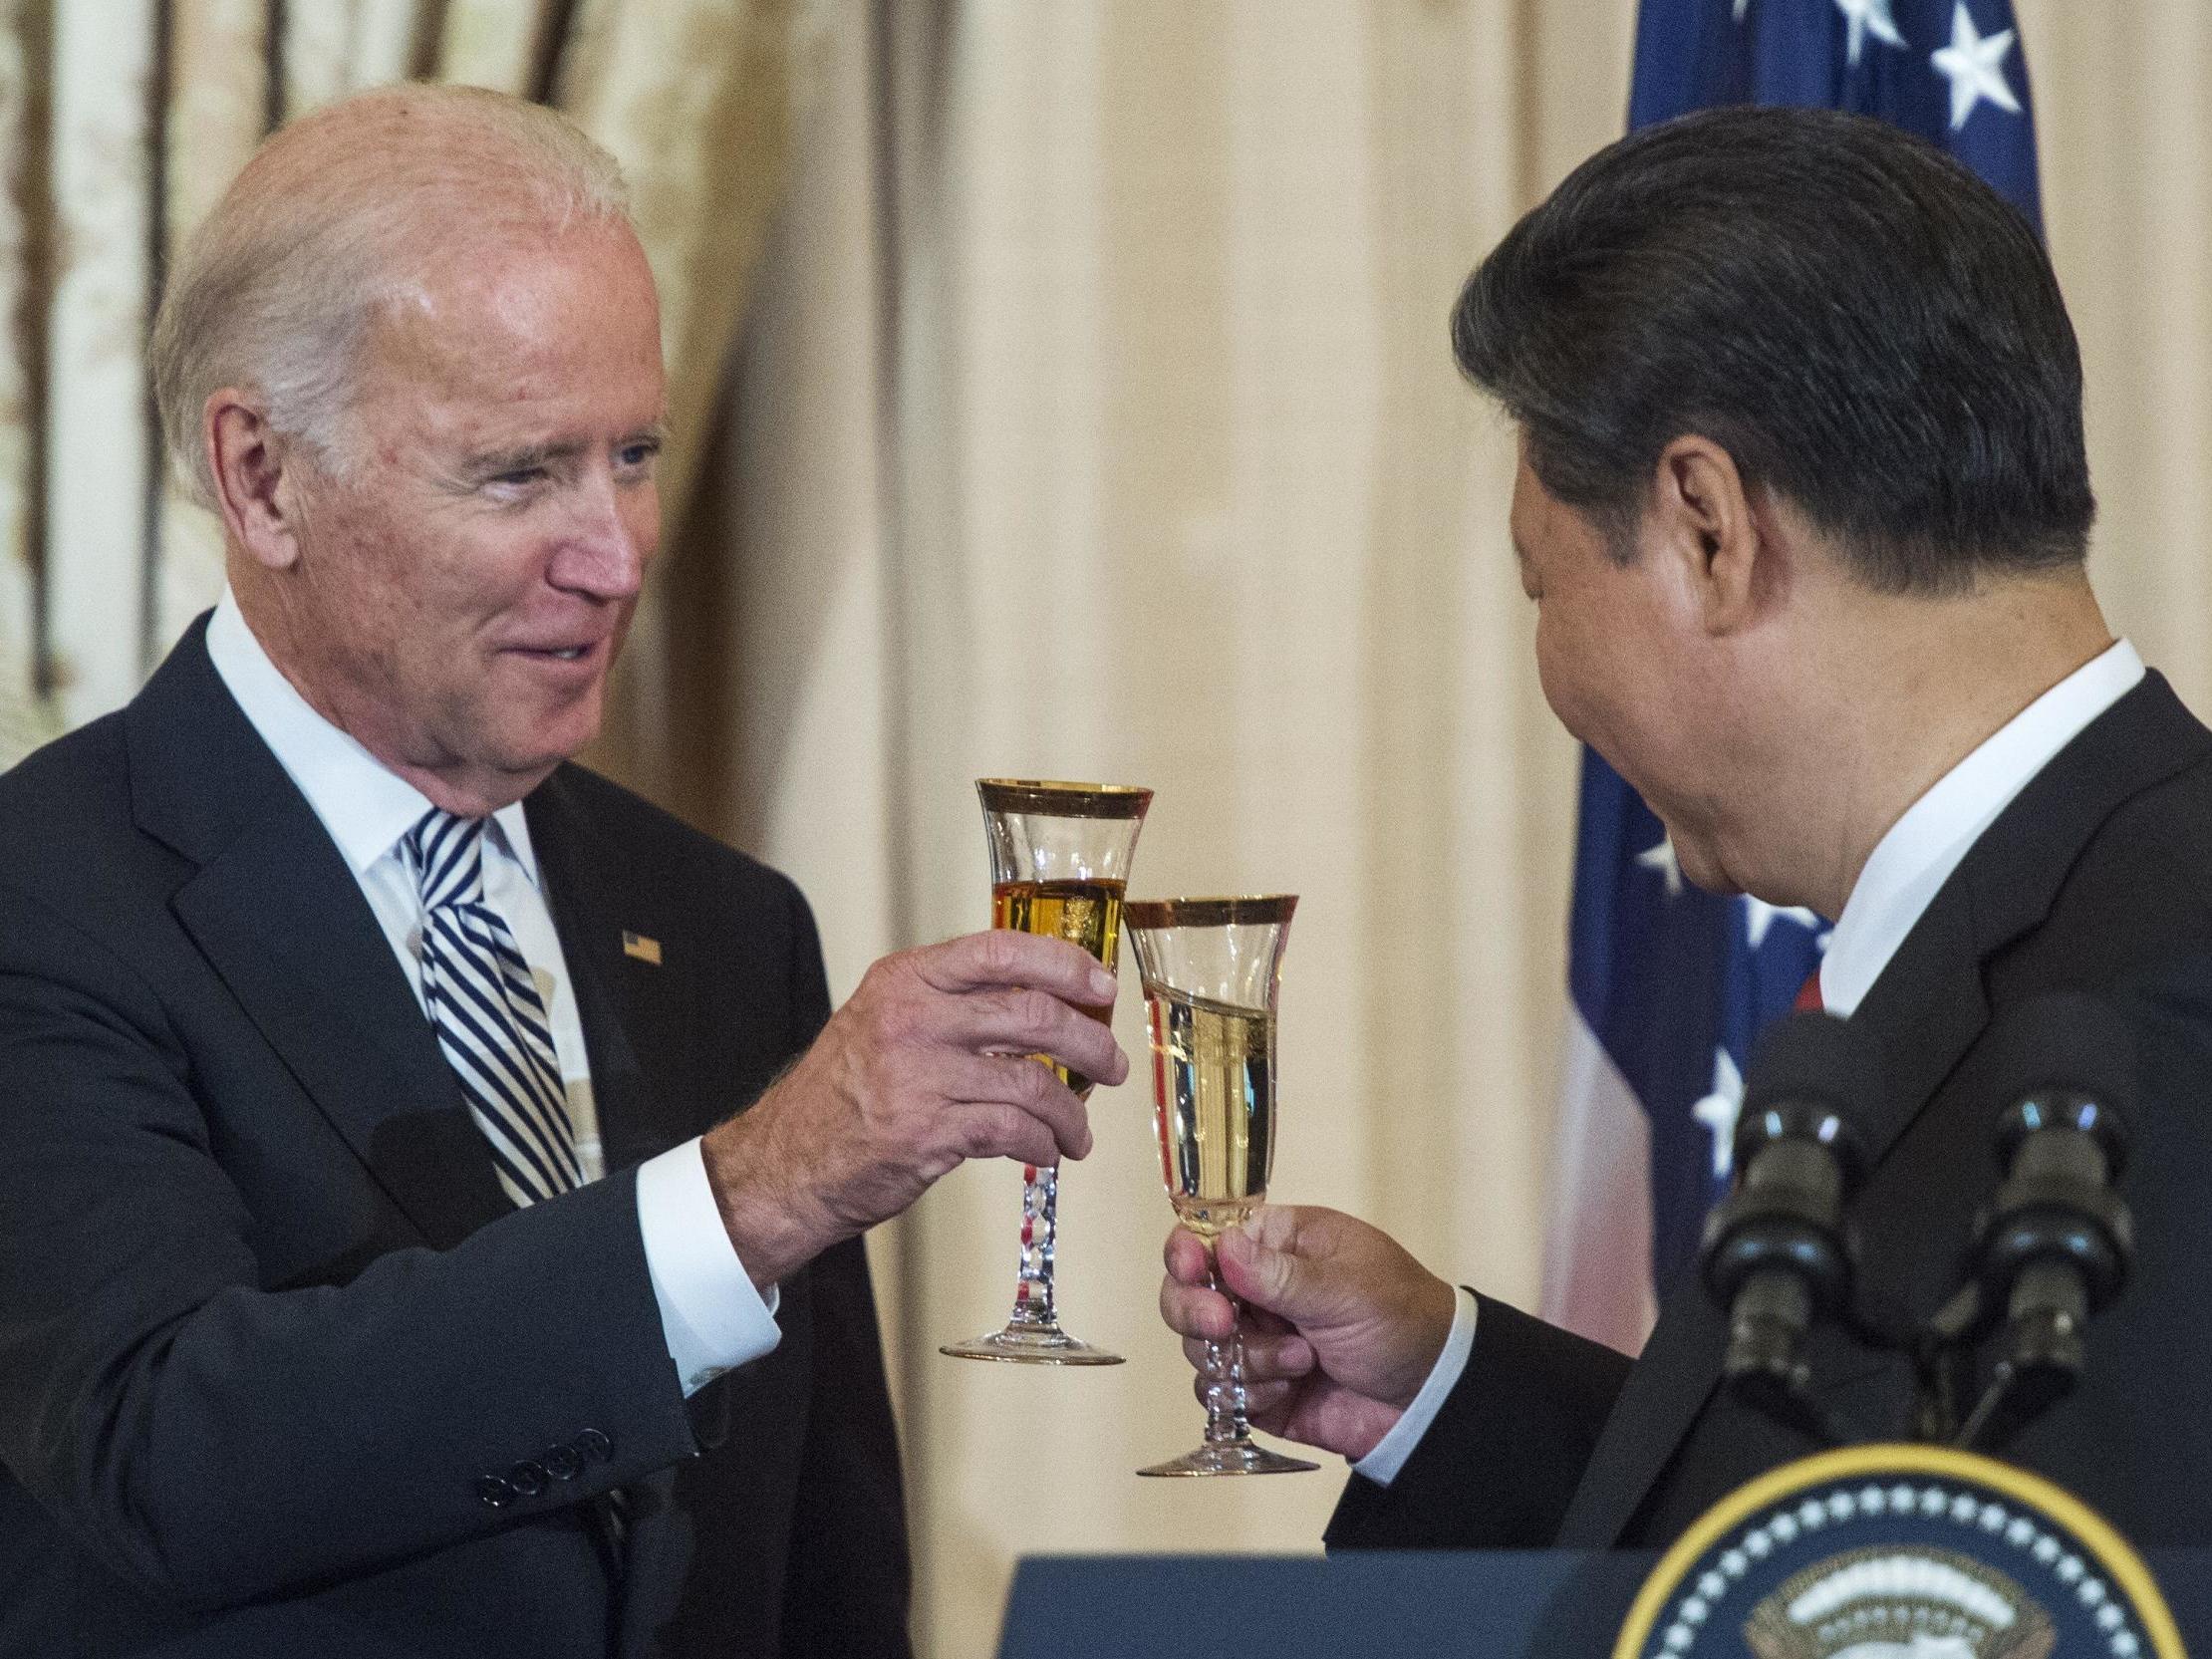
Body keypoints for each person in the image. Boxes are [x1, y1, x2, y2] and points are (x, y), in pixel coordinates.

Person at [0, 86, 1126, 1658]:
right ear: (262, 477)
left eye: (635, 454)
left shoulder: (730, 926)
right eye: (519, 473)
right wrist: (747, 1196)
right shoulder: (50, 896)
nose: (613, 554)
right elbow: (172, 1456)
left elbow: (829, 1575)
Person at [1159, 106, 2212, 1552]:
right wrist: (1448, 1385)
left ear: (1710, 526)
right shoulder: (2071, 910)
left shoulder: (2163, 1014)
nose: (1550, 674)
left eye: (1544, 585)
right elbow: (1867, 1527)